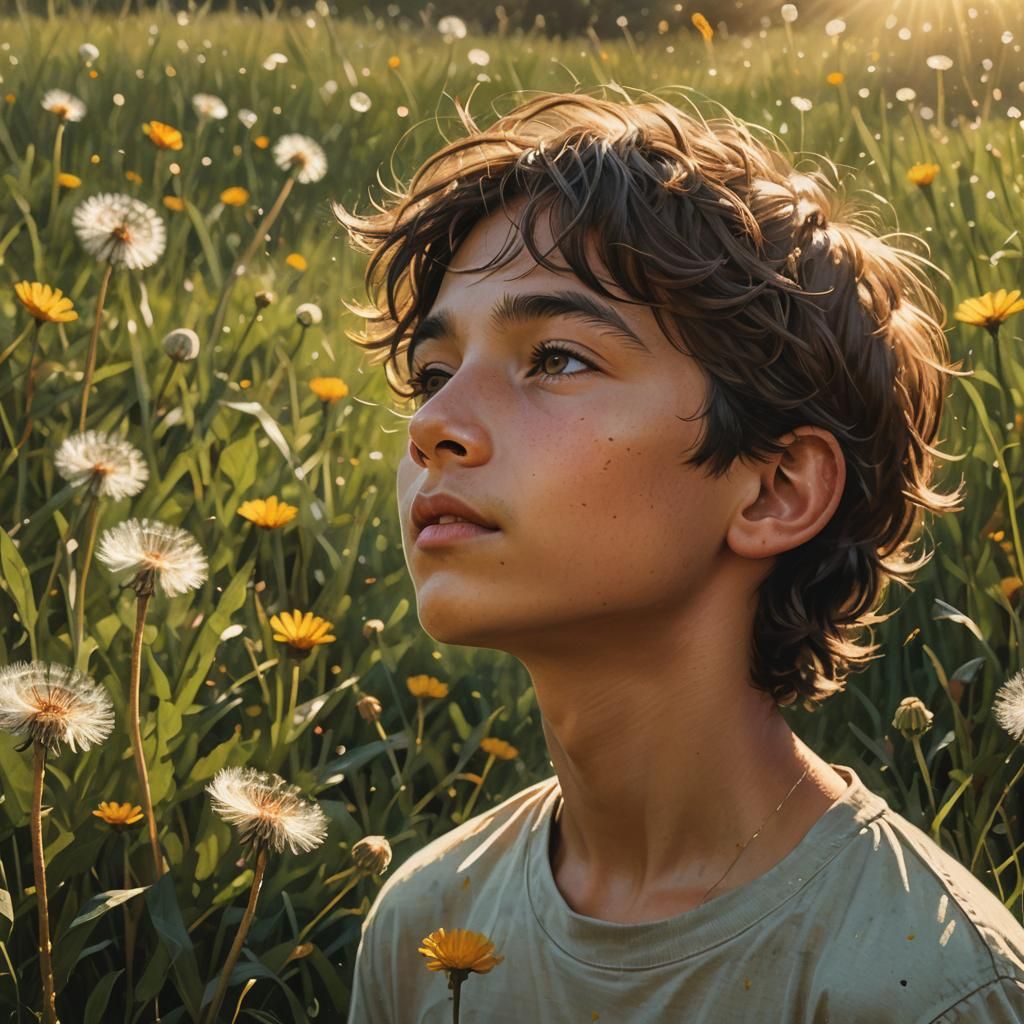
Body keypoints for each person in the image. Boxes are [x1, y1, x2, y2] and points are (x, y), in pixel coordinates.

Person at [333, 88, 1024, 1021]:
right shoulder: (425, 925)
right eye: (432, 372)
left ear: (776, 489)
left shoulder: (928, 990)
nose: (433, 426)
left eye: (557, 358)